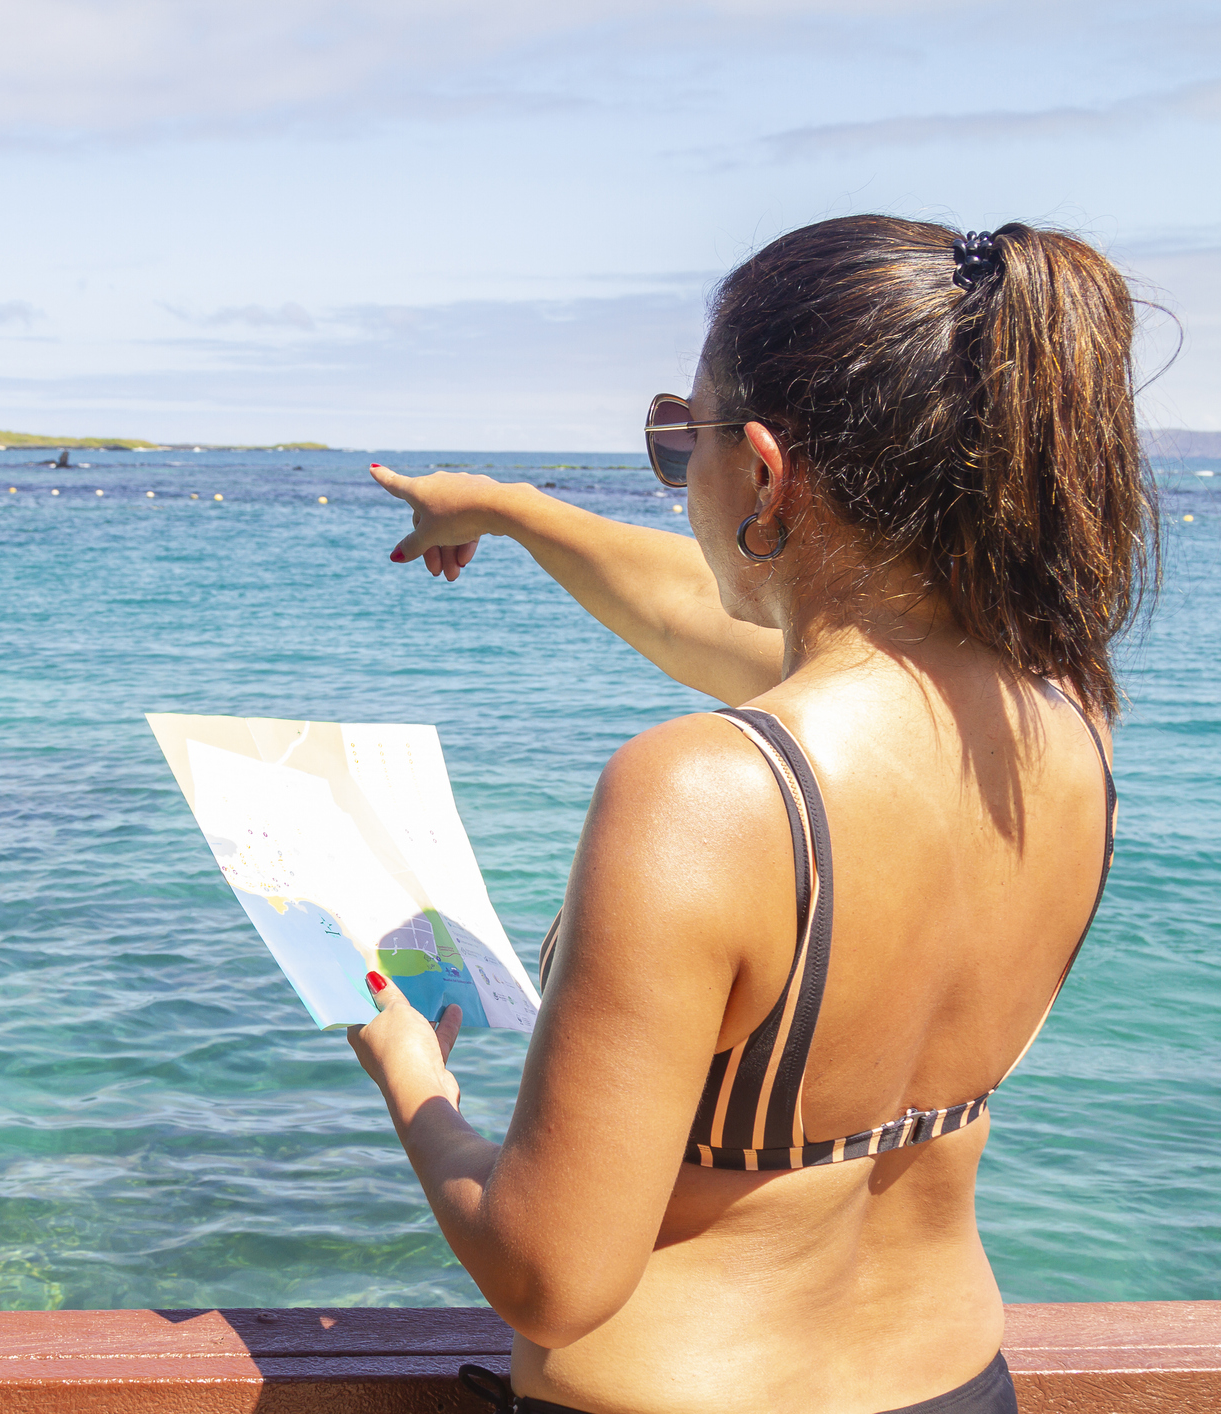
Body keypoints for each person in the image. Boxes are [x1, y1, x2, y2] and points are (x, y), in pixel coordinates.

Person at [357, 216, 1151, 1414]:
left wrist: (415, 1081)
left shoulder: (700, 793)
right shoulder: (1066, 724)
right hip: (953, 1381)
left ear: (767, 473)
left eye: (685, 443)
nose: (679, 480)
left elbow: (550, 1272)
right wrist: (515, 511)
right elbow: (706, 618)